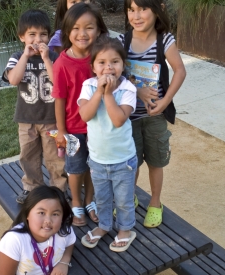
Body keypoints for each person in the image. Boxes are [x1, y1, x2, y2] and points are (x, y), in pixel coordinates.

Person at [118, 0, 186, 227]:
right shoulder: (122, 41)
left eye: (142, 8)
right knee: (132, 162)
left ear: (158, 9)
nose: (136, 15)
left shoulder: (164, 40)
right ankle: (130, 197)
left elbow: (180, 70)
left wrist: (165, 101)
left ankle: (155, 202)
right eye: (131, 9)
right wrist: (137, 89)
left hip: (155, 115)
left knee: (156, 162)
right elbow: (113, 72)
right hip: (129, 116)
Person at [2, 9, 68, 204]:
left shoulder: (55, 58)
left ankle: (58, 188)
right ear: (22, 37)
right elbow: (13, 79)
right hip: (26, 119)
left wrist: (46, 59)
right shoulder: (16, 57)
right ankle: (32, 188)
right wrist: (25, 56)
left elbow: (59, 83)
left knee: (55, 158)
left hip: (51, 119)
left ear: (49, 36)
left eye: (43, 35)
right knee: (28, 155)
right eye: (32, 34)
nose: (38, 39)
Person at [78, 36, 138, 252]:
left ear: (123, 65)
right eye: (102, 62)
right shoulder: (88, 86)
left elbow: (119, 119)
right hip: (97, 160)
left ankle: (125, 229)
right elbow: (85, 114)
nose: (108, 67)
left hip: (123, 160)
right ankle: (104, 226)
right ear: (93, 66)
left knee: (123, 201)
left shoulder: (128, 89)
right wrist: (98, 92)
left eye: (115, 62)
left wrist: (109, 94)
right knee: (102, 199)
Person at [52, 2, 108, 226]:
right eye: (75, 28)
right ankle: (76, 203)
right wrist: (62, 131)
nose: (82, 34)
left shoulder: (101, 59)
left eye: (89, 27)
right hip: (73, 130)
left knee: (93, 167)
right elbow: (59, 99)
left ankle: (89, 200)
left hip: (97, 126)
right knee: (75, 170)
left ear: (99, 30)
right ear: (66, 31)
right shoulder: (62, 63)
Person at [0, 185, 75, 275]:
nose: (48, 221)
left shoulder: (63, 230)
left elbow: (70, 242)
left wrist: (64, 262)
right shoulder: (14, 240)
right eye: (41, 213)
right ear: (27, 214)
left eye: (55, 214)